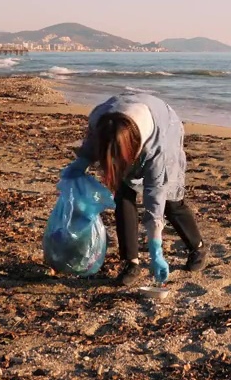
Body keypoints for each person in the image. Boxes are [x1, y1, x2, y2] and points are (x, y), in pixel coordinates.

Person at [61, 93, 206, 286]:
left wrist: (156, 250)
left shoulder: (158, 149)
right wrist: (80, 163)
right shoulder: (101, 121)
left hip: (165, 128)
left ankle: (198, 247)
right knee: (123, 196)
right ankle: (131, 262)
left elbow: (155, 195)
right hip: (127, 123)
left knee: (170, 202)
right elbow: (92, 144)